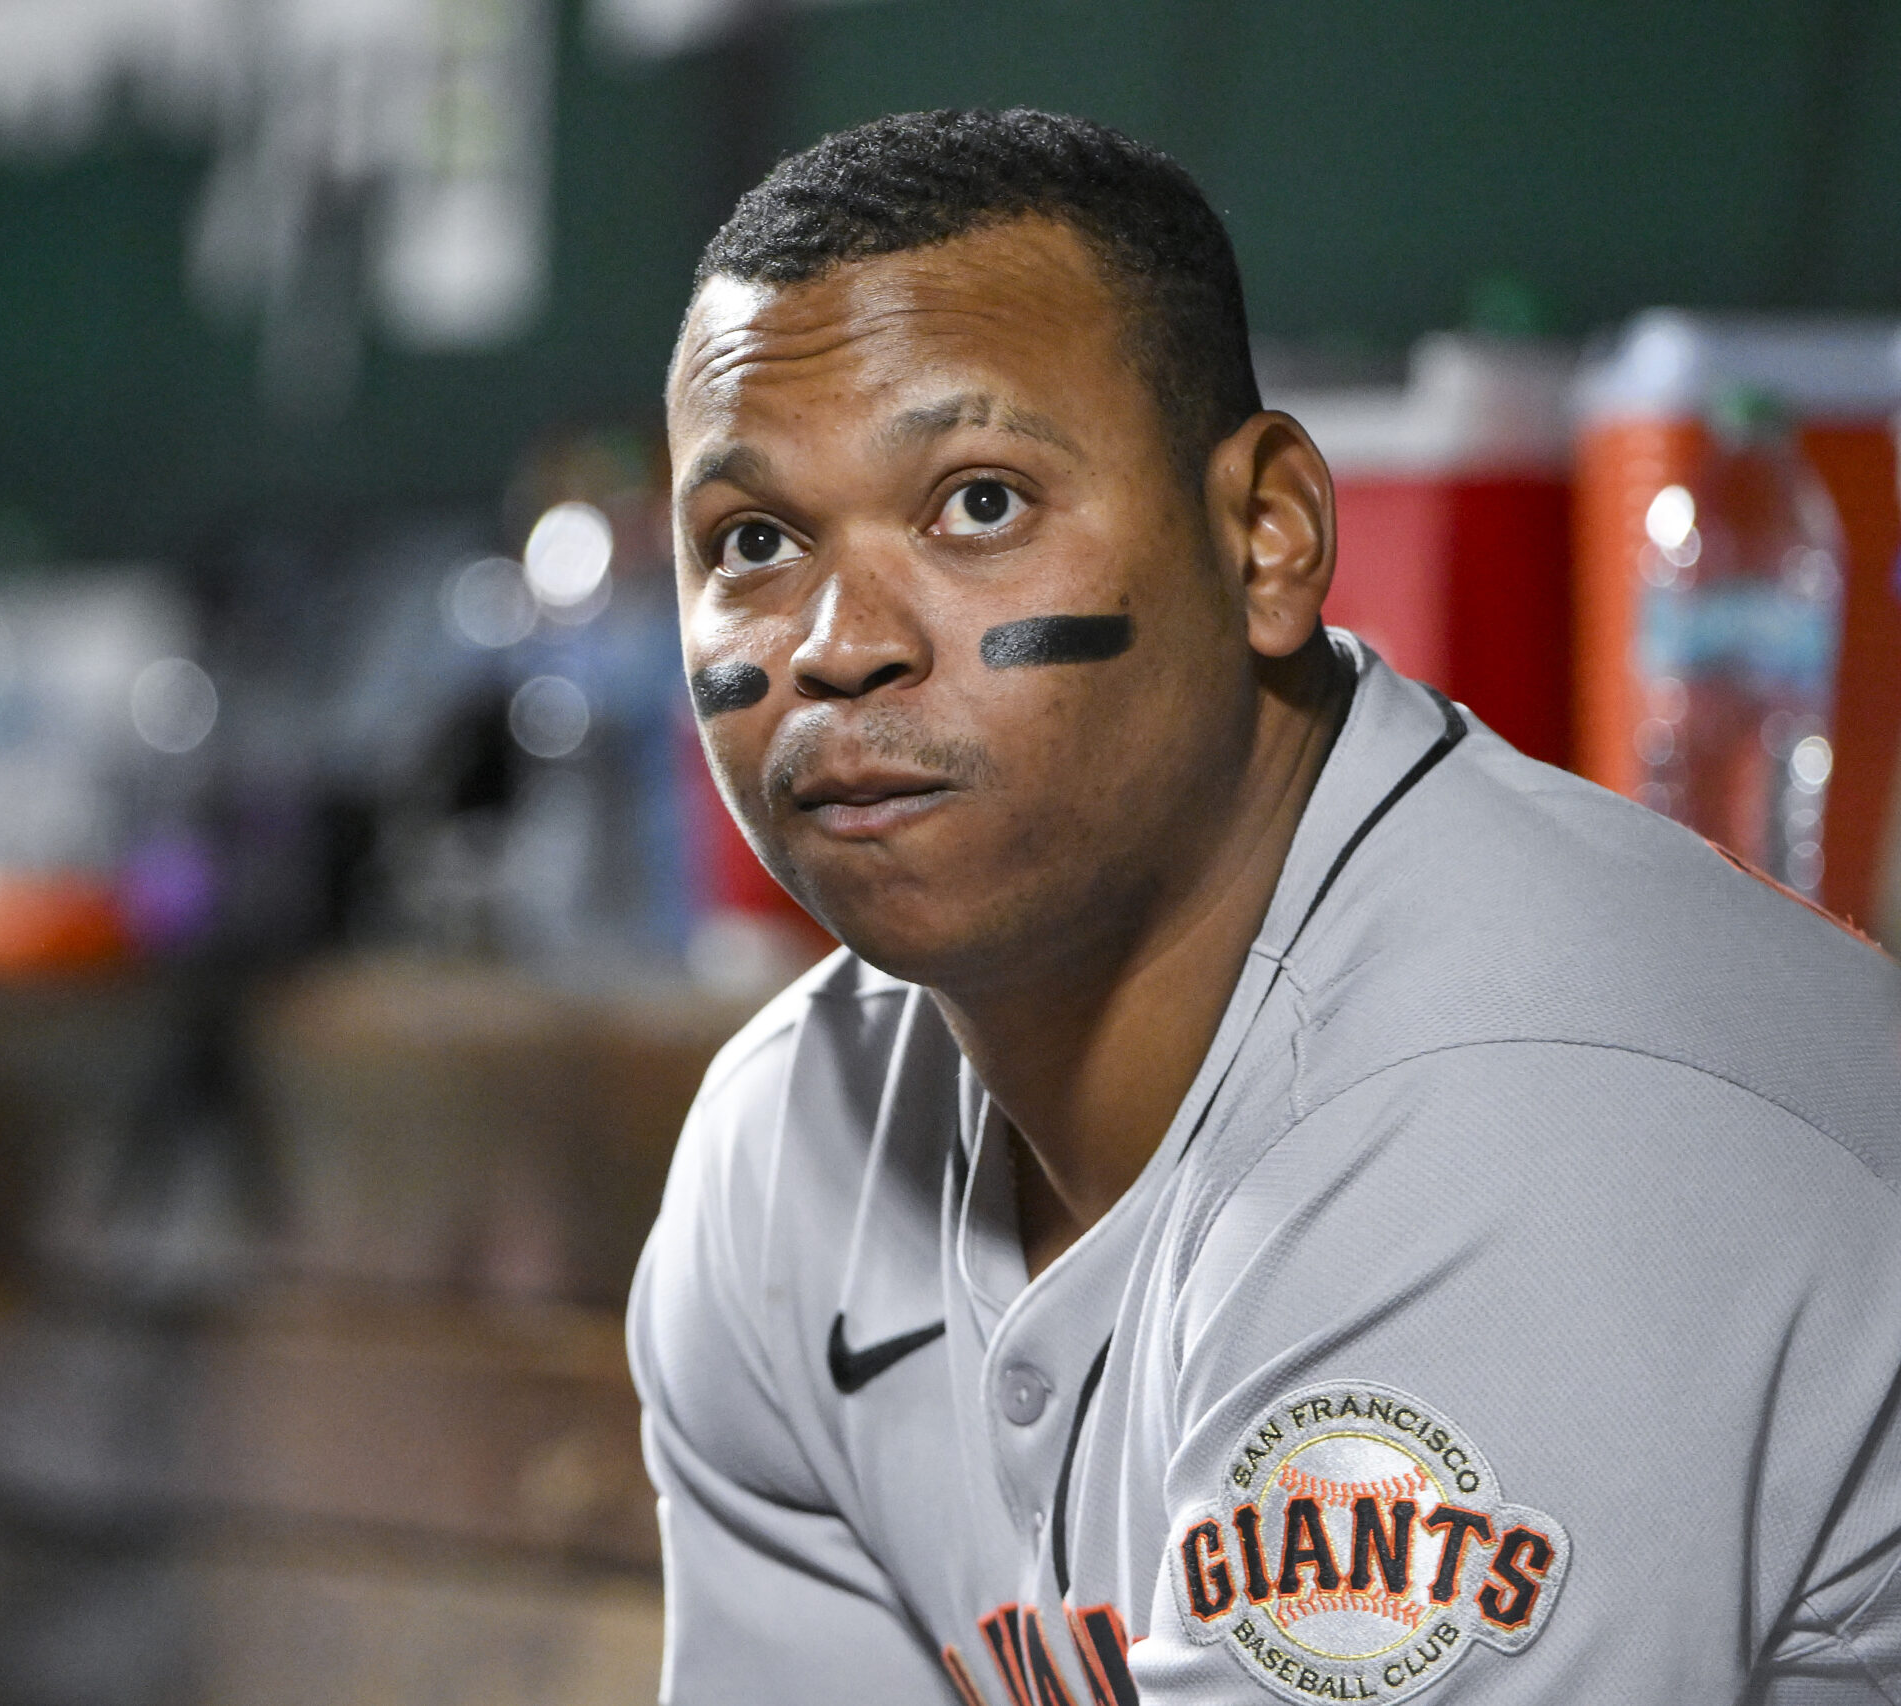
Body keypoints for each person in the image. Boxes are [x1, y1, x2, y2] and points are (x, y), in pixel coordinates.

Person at [627, 108, 1901, 1705]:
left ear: (1268, 536)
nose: (837, 641)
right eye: (751, 539)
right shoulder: (784, 1153)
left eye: (979, 504)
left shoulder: (1507, 1113)